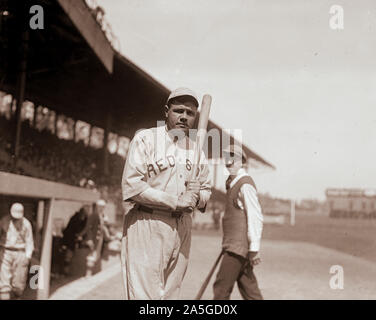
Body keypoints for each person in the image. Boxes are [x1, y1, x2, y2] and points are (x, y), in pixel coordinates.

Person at [121, 87, 212, 300]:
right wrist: (175, 201)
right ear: (166, 111)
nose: (184, 117)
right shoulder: (146, 139)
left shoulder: (195, 149)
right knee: (144, 297)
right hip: (148, 221)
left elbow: (207, 190)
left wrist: (197, 196)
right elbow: (132, 185)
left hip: (182, 227)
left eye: (190, 114)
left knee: (171, 295)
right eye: (178, 111)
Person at [213, 144, 264, 300]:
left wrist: (254, 248)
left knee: (221, 289)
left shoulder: (245, 184)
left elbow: (255, 216)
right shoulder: (233, 182)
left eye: (233, 158)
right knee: (250, 290)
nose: (229, 162)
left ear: (242, 162)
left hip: (237, 248)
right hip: (234, 246)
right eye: (227, 159)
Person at [0, 203, 34, 300]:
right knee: (4, 284)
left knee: (18, 285)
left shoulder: (26, 224)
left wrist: (27, 257)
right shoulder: (4, 221)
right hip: (5, 251)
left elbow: (29, 241)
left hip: (20, 253)